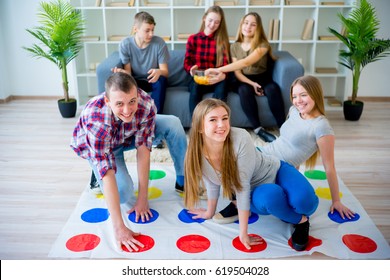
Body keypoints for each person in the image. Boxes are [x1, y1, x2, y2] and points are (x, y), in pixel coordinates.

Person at [214, 75, 355, 226]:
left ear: (315, 94)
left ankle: (244, 202)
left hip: (278, 167)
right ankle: (237, 204)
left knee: (291, 200)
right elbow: (290, 143)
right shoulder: (294, 110)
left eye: (303, 95)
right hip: (262, 154)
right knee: (228, 159)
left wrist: (336, 201)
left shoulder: (321, 126)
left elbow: (329, 167)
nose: (298, 101)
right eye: (294, 96)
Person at [71, 72, 187, 252]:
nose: (127, 110)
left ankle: (182, 179)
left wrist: (143, 198)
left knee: (172, 123)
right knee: (122, 195)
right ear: (108, 102)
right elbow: (108, 172)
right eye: (119, 104)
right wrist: (118, 227)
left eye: (132, 101)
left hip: (127, 135)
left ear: (137, 94)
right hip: (104, 147)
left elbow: (143, 150)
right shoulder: (96, 118)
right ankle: (96, 173)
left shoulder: (145, 102)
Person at [184, 98, 319, 251]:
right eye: (213, 120)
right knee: (271, 197)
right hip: (255, 192)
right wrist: (209, 212)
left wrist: (242, 233)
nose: (221, 125)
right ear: (200, 127)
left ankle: (243, 205)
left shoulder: (240, 137)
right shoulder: (195, 153)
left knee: (306, 204)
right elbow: (213, 181)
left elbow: (241, 186)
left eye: (225, 118)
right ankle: (301, 221)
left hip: (274, 169)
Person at [205, 12, 285, 143]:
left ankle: (283, 126)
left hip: (262, 77)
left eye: (253, 24)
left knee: (272, 89)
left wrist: (218, 69)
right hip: (243, 78)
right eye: (246, 23)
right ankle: (258, 129)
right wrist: (252, 84)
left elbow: (246, 62)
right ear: (241, 25)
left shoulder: (263, 44)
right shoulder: (235, 46)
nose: (248, 27)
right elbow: (238, 71)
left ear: (258, 28)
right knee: (244, 90)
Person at [112, 11, 169, 115]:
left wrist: (159, 71)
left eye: (152, 30)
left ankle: (156, 117)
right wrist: (122, 72)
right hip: (135, 80)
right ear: (135, 29)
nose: (151, 34)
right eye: (147, 30)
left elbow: (165, 72)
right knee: (124, 82)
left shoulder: (159, 43)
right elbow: (128, 73)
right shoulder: (125, 44)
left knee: (161, 81)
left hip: (153, 80)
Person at [183, 5, 231, 116]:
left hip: (216, 79)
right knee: (195, 86)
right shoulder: (193, 39)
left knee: (223, 85)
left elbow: (226, 65)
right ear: (204, 18)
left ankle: (217, 121)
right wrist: (191, 69)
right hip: (198, 78)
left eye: (217, 22)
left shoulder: (222, 41)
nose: (212, 24)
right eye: (210, 20)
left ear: (220, 24)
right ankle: (195, 124)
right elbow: (187, 62)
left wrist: (222, 75)